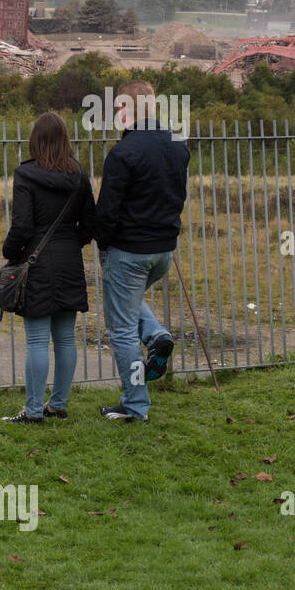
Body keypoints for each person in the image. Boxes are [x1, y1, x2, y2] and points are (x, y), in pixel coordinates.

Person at [95, 79, 190, 422]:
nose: (116, 114)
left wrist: (103, 243)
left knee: (120, 330)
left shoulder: (123, 152)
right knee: (128, 302)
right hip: (164, 251)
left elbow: (107, 210)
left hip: (129, 251)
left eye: (119, 107)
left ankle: (135, 405)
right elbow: (178, 193)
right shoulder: (178, 145)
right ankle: (156, 335)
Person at [0, 113, 96, 424]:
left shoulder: (26, 175)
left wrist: (10, 252)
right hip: (69, 259)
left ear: (35, 139)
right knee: (66, 338)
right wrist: (73, 241)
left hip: (36, 261)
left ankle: (32, 410)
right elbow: (90, 222)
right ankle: (58, 404)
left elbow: (23, 226)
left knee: (38, 340)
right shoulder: (79, 174)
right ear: (65, 138)